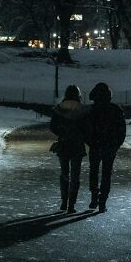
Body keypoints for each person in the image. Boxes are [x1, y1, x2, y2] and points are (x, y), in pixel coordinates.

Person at [86, 82, 126, 213]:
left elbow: (85, 129)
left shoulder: (91, 110)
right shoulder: (116, 109)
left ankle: (94, 196)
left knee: (93, 171)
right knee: (106, 173)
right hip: (110, 146)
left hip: (96, 145)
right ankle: (102, 201)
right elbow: (122, 130)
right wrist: (117, 144)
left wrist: (90, 142)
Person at [49, 84, 89, 213]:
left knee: (64, 173)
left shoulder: (59, 109)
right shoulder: (83, 110)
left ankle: (63, 202)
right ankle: (72, 204)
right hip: (77, 144)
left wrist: (63, 134)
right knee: (75, 175)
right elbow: (87, 128)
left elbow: (53, 127)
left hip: (64, 144)